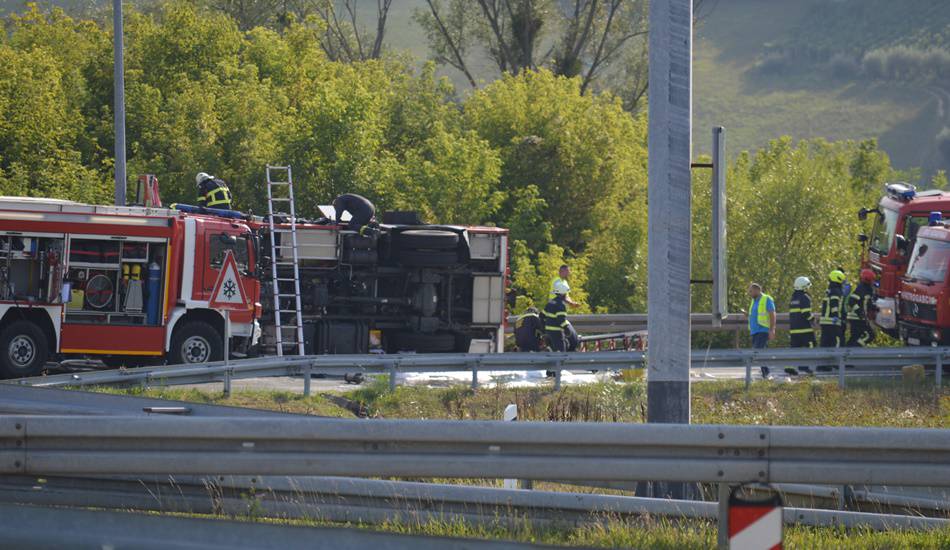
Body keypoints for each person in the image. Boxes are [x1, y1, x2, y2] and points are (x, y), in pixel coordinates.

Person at [543, 279, 574, 376]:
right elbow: (561, 320)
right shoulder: (561, 305)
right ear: (563, 293)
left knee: (553, 351)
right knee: (561, 353)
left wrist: (544, 329)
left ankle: (550, 372)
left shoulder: (550, 303)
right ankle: (556, 375)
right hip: (557, 332)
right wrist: (567, 329)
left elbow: (542, 316)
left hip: (548, 332)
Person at [787, 276, 817, 375]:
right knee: (811, 347)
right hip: (805, 330)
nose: (808, 288)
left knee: (794, 349)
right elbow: (806, 313)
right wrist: (813, 319)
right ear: (803, 287)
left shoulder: (793, 298)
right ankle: (804, 367)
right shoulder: (805, 297)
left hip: (794, 330)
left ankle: (790, 366)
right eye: (807, 286)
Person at [747, 283, 776, 378]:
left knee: (757, 351)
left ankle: (766, 373)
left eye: (751, 291)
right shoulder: (753, 301)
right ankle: (765, 374)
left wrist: (772, 329)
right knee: (760, 352)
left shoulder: (766, 299)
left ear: (757, 290)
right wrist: (747, 315)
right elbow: (755, 315)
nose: (749, 293)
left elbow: (772, 314)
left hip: (763, 330)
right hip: (754, 331)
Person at [819, 270, 847, 365]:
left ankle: (823, 365)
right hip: (832, 321)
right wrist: (836, 316)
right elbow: (834, 304)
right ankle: (837, 363)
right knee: (838, 341)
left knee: (825, 343)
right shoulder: (836, 291)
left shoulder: (829, 290)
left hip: (825, 321)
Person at [846, 269, 876, 347]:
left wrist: (875, 308)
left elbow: (866, 303)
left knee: (855, 337)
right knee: (870, 335)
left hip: (859, 318)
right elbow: (851, 301)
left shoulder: (867, 289)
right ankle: (856, 348)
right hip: (856, 318)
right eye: (872, 280)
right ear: (867, 280)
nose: (873, 282)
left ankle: (849, 350)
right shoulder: (861, 289)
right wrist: (859, 312)